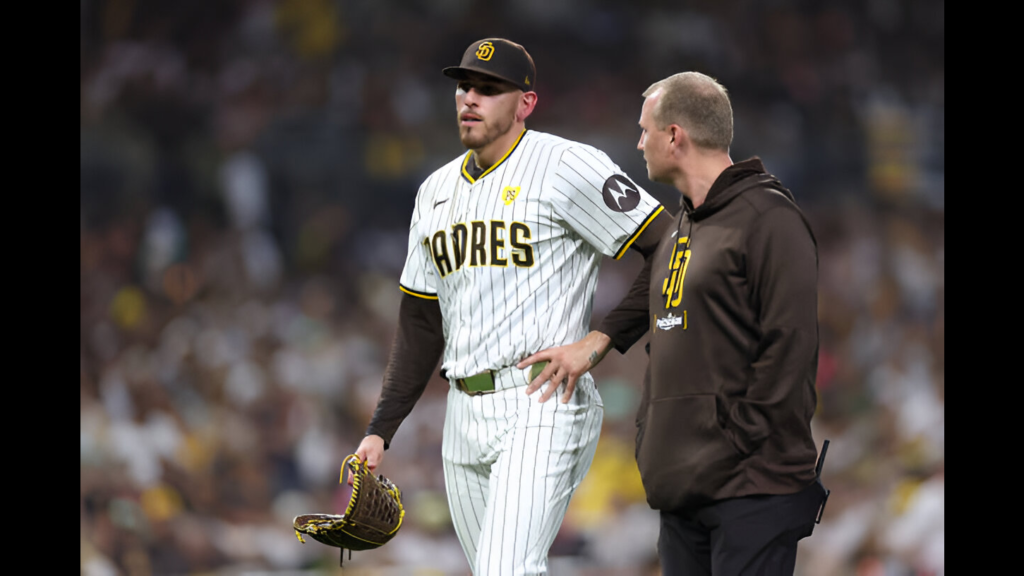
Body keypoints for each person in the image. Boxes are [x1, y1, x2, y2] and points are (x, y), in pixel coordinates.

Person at [353, 38, 671, 575]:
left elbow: (668, 245)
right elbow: (421, 323)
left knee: (507, 569)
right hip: (463, 410)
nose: (470, 97)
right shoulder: (434, 192)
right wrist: (381, 428)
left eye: (489, 88)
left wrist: (601, 340)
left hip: (542, 399)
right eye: (464, 86)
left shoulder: (566, 164)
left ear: (525, 102)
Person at [518, 71, 829, 575]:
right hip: (684, 483)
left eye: (645, 131)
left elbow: (789, 347)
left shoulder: (768, 218)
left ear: (675, 135)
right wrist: (599, 342)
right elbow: (656, 284)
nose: (638, 143)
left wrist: (734, 440)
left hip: (750, 486)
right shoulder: (684, 223)